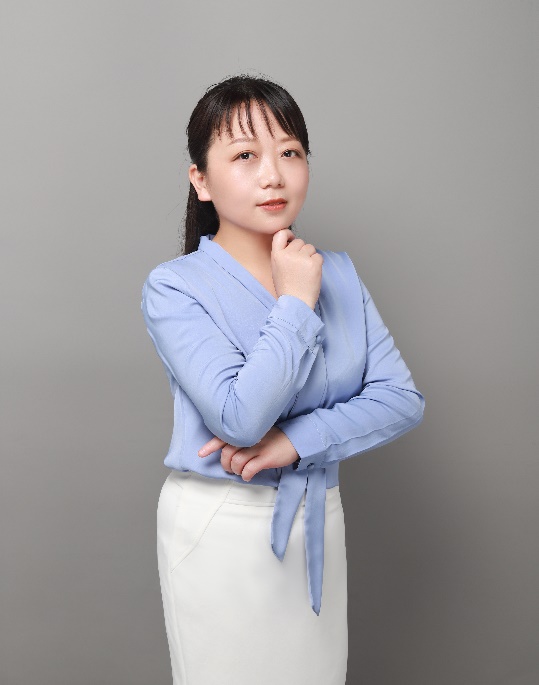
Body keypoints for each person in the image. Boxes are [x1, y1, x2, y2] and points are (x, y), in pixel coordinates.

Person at [140, 73, 425, 685]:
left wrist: (295, 442)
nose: (273, 175)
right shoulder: (175, 287)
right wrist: (296, 302)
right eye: (245, 156)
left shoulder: (339, 273)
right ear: (201, 180)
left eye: (290, 152)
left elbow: (401, 399)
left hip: (319, 517)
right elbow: (239, 417)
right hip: (221, 525)